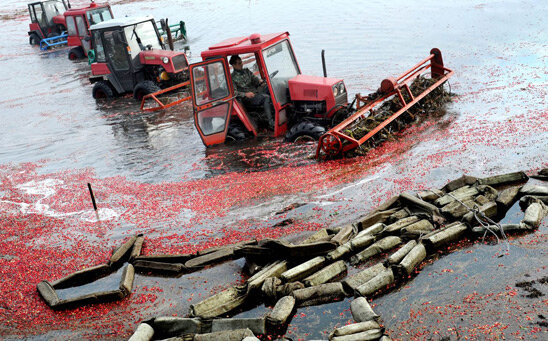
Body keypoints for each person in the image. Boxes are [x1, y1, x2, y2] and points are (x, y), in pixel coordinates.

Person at [229, 55, 274, 130]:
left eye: (241, 62)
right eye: (239, 63)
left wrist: (261, 82)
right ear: (233, 65)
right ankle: (271, 123)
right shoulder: (232, 78)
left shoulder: (247, 71)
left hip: (256, 93)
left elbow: (255, 80)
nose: (242, 64)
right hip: (247, 99)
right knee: (266, 98)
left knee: (270, 89)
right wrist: (245, 94)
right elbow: (234, 93)